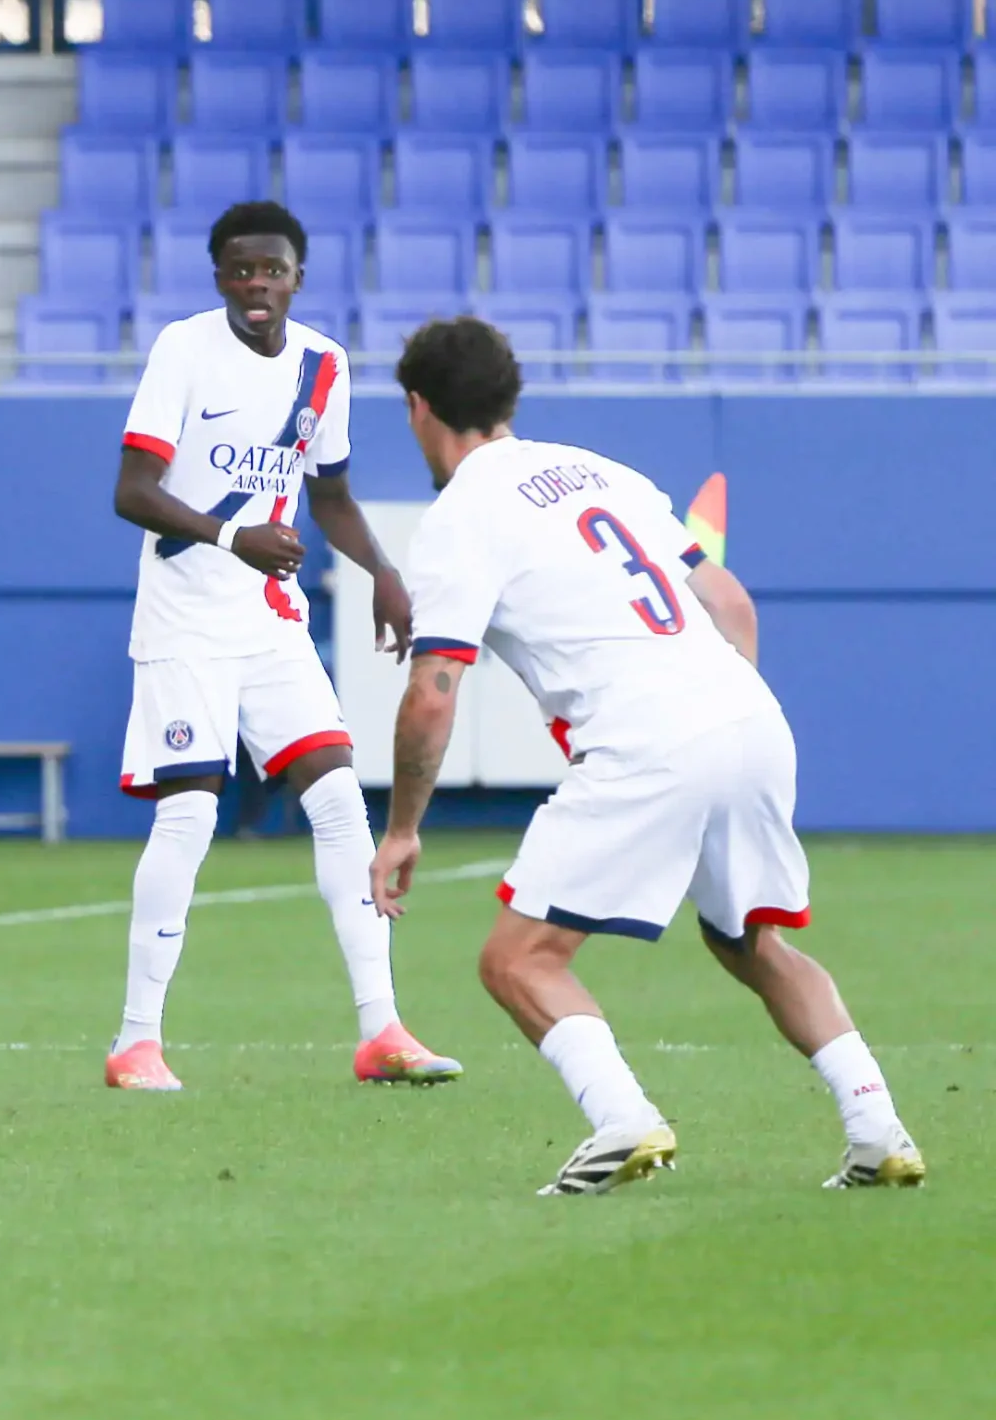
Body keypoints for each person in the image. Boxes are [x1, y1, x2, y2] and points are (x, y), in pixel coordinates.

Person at [368, 317, 924, 1195]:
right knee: (752, 942)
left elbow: (433, 692)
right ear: (509, 399)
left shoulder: (460, 517)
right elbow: (729, 602)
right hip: (748, 713)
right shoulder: (602, 472)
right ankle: (879, 1131)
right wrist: (717, 718)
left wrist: (402, 827)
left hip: (647, 737)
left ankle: (622, 1118)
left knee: (518, 959)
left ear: (417, 407)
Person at [105, 200, 460, 1093]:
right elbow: (132, 490)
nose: (256, 285)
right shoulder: (184, 350)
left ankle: (381, 1030)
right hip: (186, 619)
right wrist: (234, 538)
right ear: (219, 278)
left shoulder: (323, 365)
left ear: (299, 277)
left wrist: (382, 569)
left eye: (272, 270)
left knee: (339, 799)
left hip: (270, 619)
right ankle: (136, 1041)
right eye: (240, 270)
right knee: (189, 815)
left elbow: (327, 495)